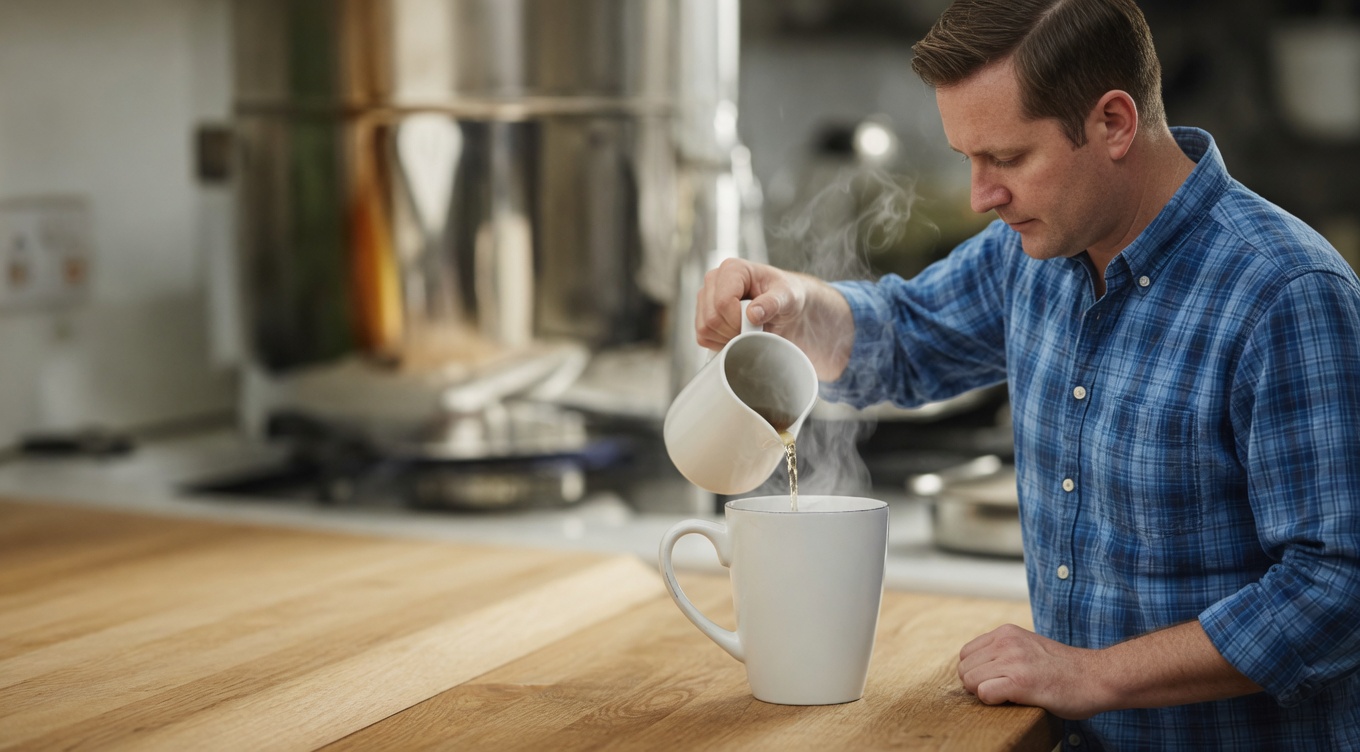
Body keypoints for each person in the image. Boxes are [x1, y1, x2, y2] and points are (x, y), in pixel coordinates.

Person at [693, 0, 1360, 748]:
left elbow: (1336, 590)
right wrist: (791, 304)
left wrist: (1092, 675)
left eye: (1007, 159)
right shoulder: (1032, 255)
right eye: (969, 160)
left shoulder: (1285, 294)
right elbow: (908, 336)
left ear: (1113, 123)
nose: (981, 195)